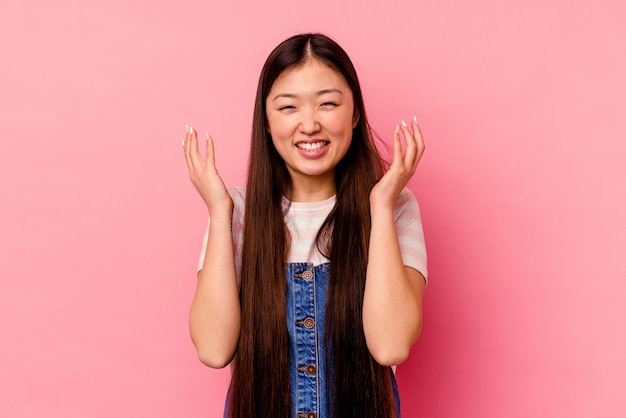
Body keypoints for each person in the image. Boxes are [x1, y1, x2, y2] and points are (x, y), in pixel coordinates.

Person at [182, 33, 427, 418]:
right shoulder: (238, 211)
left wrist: (379, 206)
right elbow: (213, 349)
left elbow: (391, 345)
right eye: (288, 107)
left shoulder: (395, 207)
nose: (309, 124)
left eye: (328, 103)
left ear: (356, 113)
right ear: (265, 120)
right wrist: (218, 211)